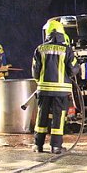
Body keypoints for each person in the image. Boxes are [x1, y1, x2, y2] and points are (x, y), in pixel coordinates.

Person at [31, 20, 78, 154]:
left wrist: (41, 82)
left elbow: (35, 71)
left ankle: (38, 145)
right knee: (58, 118)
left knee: (42, 116)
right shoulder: (67, 50)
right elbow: (73, 70)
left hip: (44, 90)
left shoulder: (40, 49)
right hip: (61, 92)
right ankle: (56, 147)